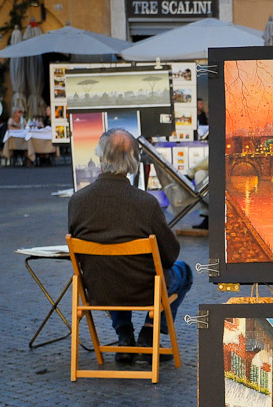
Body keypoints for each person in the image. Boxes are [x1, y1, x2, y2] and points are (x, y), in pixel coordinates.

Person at [68, 129, 193, 364]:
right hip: (144, 289)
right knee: (183, 272)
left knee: (110, 268)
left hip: (98, 290)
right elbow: (170, 255)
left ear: (101, 157)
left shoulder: (77, 201)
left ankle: (124, 337)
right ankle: (149, 332)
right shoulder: (146, 204)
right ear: (133, 162)